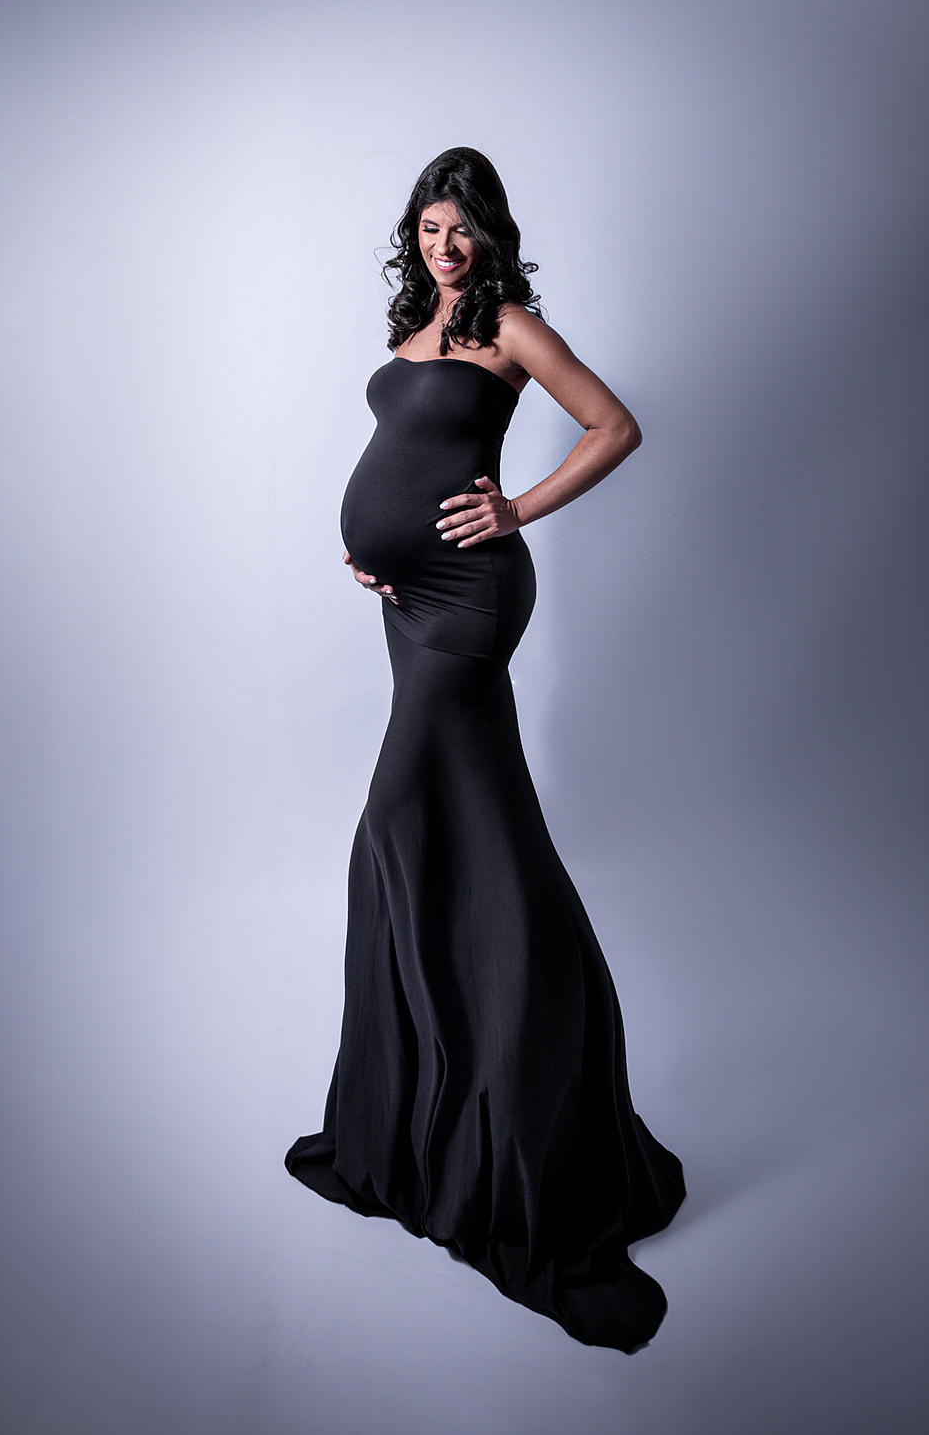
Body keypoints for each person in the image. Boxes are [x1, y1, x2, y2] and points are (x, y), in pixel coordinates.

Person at [286, 147, 684, 1352]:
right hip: (409, 600)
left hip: (470, 597)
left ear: (488, 235)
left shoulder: (510, 326)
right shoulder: (417, 329)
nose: (444, 245)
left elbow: (615, 425)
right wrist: (379, 548)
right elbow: (404, 465)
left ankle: (506, 1117)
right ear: (412, 235)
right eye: (428, 226)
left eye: (461, 228)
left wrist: (514, 508)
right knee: (474, 831)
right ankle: (426, 1122)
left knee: (396, 823)